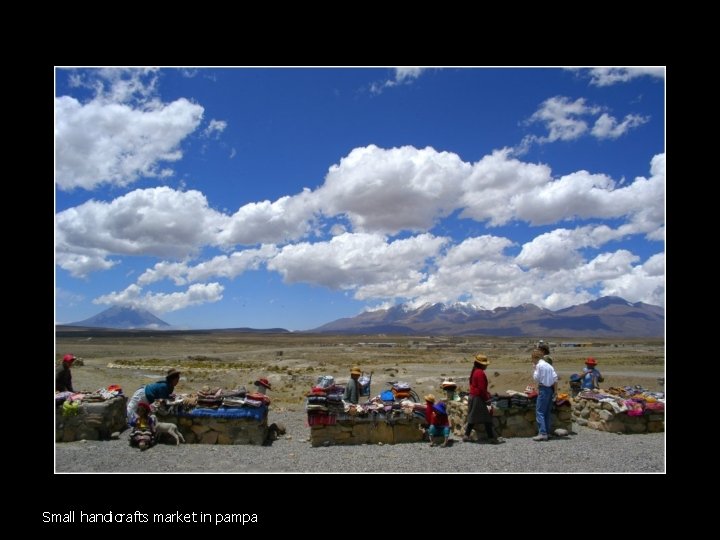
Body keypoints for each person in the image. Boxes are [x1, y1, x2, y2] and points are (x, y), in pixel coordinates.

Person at [463, 354, 503, 444]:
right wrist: (487, 399)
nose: (486, 366)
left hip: (474, 396)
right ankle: (491, 438)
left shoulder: (474, 371)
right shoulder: (480, 373)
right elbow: (482, 389)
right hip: (478, 398)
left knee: (472, 416)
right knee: (487, 417)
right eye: (485, 364)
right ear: (481, 364)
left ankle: (466, 435)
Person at [531, 348, 558, 441]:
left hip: (543, 389)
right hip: (550, 390)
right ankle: (547, 432)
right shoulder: (549, 366)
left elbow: (536, 378)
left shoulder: (539, 365)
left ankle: (542, 433)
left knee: (540, 411)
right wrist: (555, 391)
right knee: (547, 412)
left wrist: (534, 368)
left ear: (535, 358)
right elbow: (555, 378)